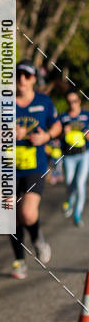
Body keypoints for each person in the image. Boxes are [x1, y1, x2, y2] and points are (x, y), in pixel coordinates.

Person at [9, 60, 61, 279]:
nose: (21, 79)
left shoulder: (44, 101)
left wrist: (46, 136)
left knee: (28, 214)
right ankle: (19, 261)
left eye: (26, 75)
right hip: (8, 167)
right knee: (12, 218)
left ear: (33, 79)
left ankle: (37, 237)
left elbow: (57, 125)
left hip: (35, 167)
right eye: (18, 74)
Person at [59, 90, 89, 226]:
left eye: (75, 101)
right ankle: (70, 202)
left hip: (84, 154)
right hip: (69, 156)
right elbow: (56, 134)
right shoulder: (63, 117)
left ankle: (77, 214)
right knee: (70, 183)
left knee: (80, 183)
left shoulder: (86, 116)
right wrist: (61, 133)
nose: (72, 104)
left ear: (79, 101)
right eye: (69, 102)